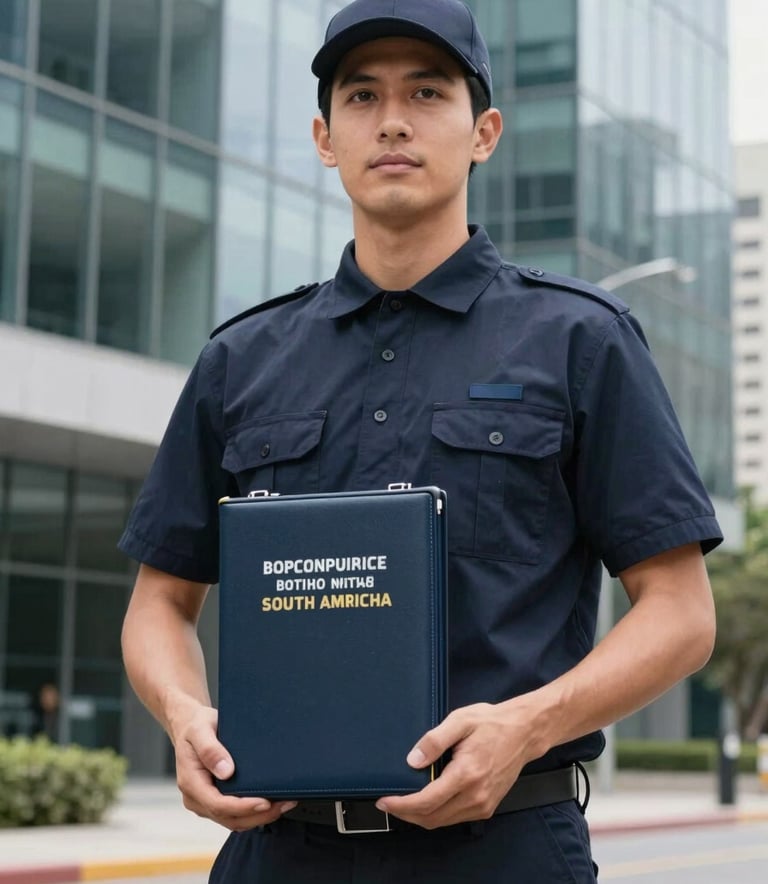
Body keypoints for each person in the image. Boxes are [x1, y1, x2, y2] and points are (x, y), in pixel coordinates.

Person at [119, 1, 722, 880]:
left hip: (505, 850)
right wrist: (183, 715)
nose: (392, 119)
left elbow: (680, 611)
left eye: (427, 92)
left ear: (484, 132)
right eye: (361, 96)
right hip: (275, 853)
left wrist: (530, 723)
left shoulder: (580, 340)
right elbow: (159, 602)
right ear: (325, 138)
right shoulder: (239, 359)